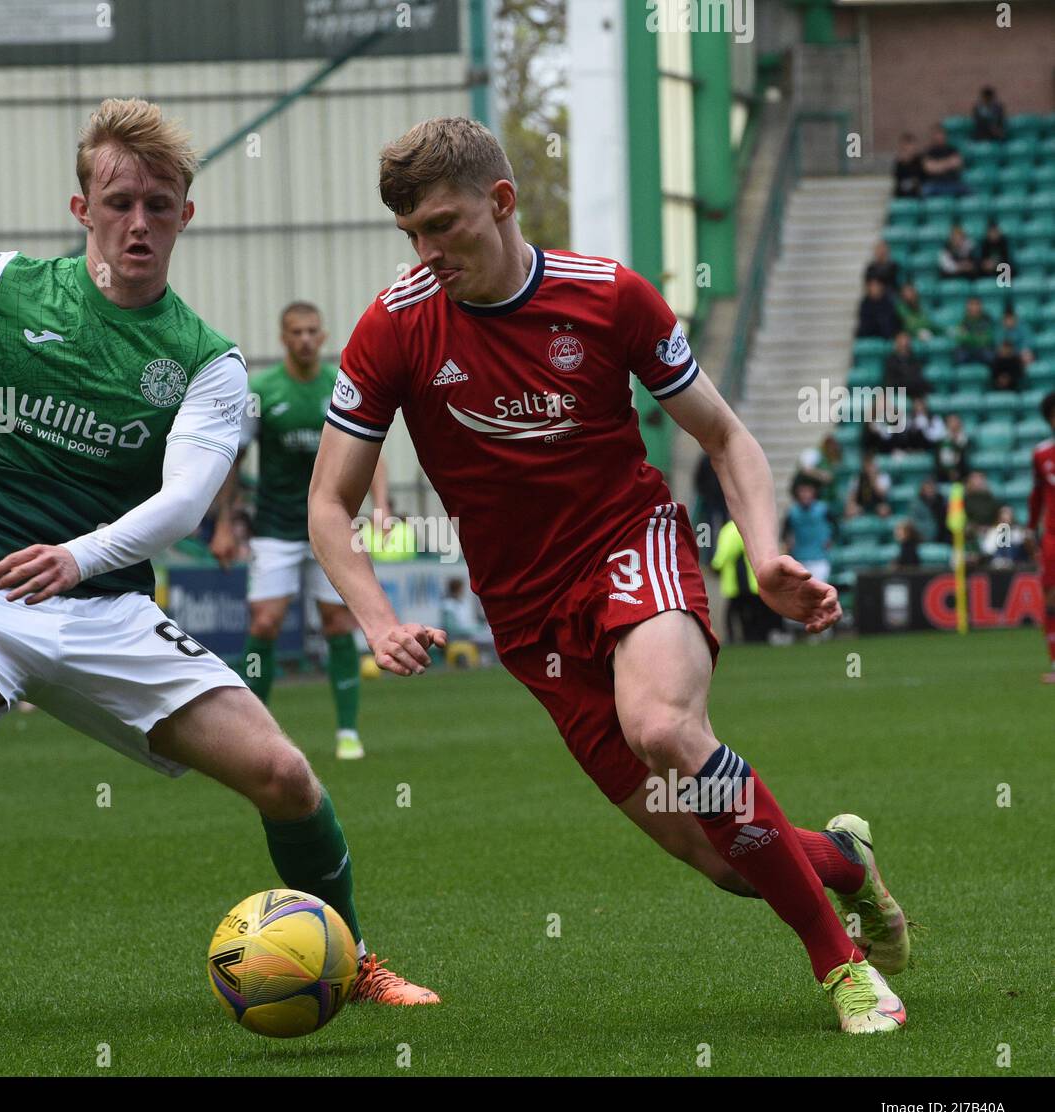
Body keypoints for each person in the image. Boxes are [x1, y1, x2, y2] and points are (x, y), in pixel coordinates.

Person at [0, 98, 435, 1040]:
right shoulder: (0, 289)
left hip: (108, 608)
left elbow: (183, 506)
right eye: (120, 201)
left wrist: (77, 559)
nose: (140, 222)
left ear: (186, 215)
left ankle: (350, 959)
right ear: (84, 209)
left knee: (284, 774)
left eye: (161, 204)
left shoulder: (207, 361)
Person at [307, 116, 909, 1034]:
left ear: (501, 203)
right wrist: (377, 616)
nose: (426, 253)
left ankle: (842, 967)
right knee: (722, 860)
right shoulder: (392, 329)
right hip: (528, 618)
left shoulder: (609, 297)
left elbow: (726, 435)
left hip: (634, 546)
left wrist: (770, 551)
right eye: (410, 236)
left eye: (442, 226)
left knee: (662, 722)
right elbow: (328, 504)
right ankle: (844, 862)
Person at [208, 301, 388, 760]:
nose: (305, 339)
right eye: (296, 332)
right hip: (275, 526)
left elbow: (373, 449)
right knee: (265, 622)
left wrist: (382, 507)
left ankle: (348, 731)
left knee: (337, 622)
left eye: (312, 331)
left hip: (333, 526)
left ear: (323, 336)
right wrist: (225, 524)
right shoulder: (262, 389)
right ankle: (254, 734)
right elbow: (236, 457)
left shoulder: (340, 386)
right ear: (283, 338)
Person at [1028, 392, 1055, 682]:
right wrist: (1030, 527)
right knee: (1050, 598)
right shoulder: (1042, 454)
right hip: (1052, 537)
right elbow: (1036, 496)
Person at [782, 481, 832, 583]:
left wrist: (830, 541)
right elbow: (785, 534)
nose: (805, 494)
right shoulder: (792, 512)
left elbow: (836, 528)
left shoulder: (823, 510)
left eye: (808, 491)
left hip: (819, 560)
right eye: (802, 491)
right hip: (800, 560)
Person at [920, 125, 969, 196]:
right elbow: (930, 168)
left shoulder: (952, 149)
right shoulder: (928, 151)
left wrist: (939, 164)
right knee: (924, 191)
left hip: (953, 182)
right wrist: (949, 162)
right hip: (935, 184)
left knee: (969, 193)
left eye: (940, 134)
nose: (938, 137)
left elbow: (958, 163)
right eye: (935, 134)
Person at [883, 331, 932, 401]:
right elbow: (891, 382)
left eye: (906, 342)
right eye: (901, 342)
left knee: (920, 398)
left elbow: (919, 379)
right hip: (898, 391)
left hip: (914, 392)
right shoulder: (891, 361)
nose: (904, 345)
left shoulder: (914, 360)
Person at [846, 452, 892, 518]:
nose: (870, 468)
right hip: (863, 505)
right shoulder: (858, 478)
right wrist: (851, 506)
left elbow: (882, 495)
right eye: (867, 465)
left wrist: (872, 480)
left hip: (878, 504)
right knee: (849, 511)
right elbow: (852, 497)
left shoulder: (883, 477)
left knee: (884, 511)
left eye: (872, 465)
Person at [953, 296, 994, 365]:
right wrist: (975, 337)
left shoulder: (987, 320)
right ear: (967, 306)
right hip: (966, 349)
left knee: (990, 356)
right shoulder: (962, 320)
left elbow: (987, 339)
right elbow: (959, 338)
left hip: (982, 349)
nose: (974, 307)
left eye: (976, 304)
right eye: (971, 304)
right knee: (959, 356)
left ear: (981, 306)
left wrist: (969, 336)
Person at [908, 476, 948, 543]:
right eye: (928, 487)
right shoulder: (916, 504)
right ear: (923, 489)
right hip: (922, 536)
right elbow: (913, 521)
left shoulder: (942, 501)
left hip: (942, 534)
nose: (930, 490)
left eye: (932, 487)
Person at [934, 412, 971, 483]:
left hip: (963, 477)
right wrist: (949, 472)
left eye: (955, 421)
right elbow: (938, 461)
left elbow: (967, 459)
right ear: (946, 424)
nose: (954, 424)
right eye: (951, 421)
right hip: (943, 477)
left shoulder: (967, 441)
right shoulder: (940, 442)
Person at [891, 133, 923, 199]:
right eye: (903, 145)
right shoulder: (899, 162)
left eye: (908, 145)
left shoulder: (920, 160)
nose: (906, 148)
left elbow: (920, 176)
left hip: (916, 191)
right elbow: (897, 177)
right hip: (902, 191)